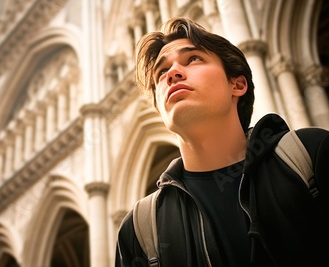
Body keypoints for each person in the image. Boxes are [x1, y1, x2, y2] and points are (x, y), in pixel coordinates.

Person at [115, 17, 329, 267]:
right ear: (160, 110)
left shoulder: (312, 156)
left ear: (237, 84)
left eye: (193, 59)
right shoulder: (138, 231)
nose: (172, 74)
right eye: (161, 73)